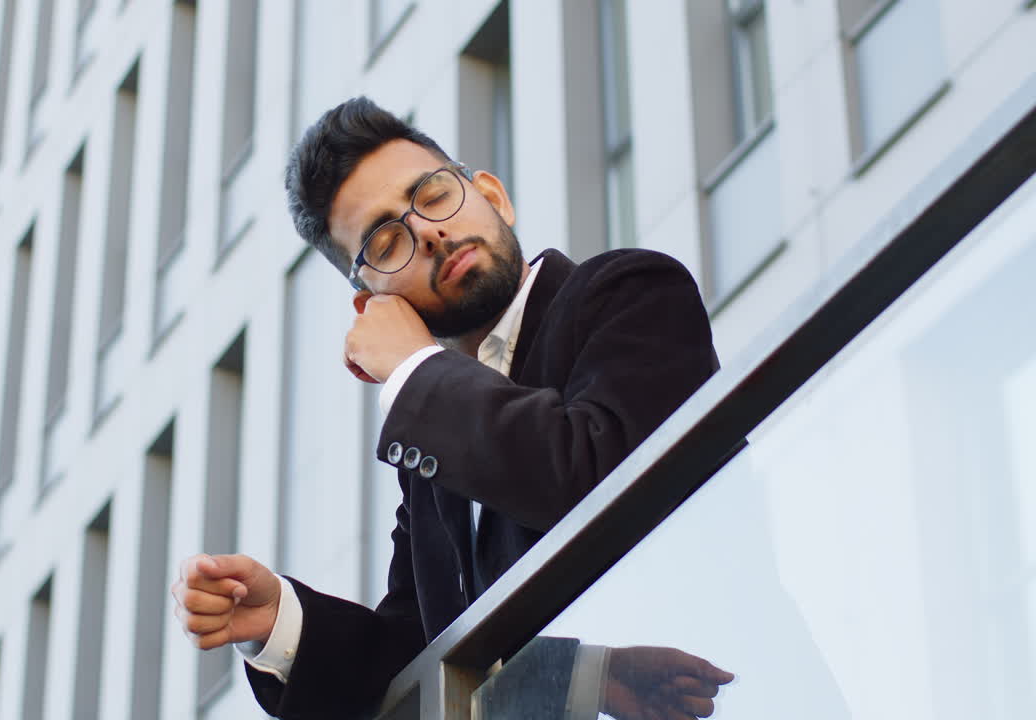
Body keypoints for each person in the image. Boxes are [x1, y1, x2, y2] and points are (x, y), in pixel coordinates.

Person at [172, 97, 731, 718]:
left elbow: (601, 476)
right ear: (373, 303)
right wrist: (280, 624)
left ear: (492, 195)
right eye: (387, 240)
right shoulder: (432, 456)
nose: (429, 232)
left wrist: (413, 370)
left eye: (433, 195)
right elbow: (420, 658)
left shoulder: (629, 291)